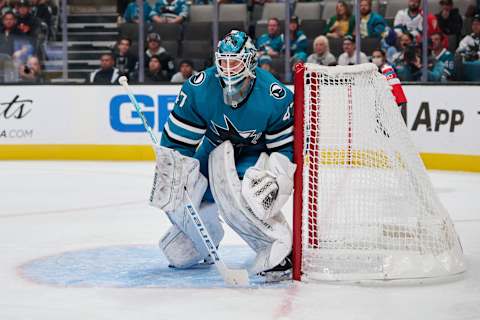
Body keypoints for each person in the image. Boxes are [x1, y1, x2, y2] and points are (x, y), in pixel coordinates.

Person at [152, 30, 295, 279]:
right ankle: (205, 239)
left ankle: (277, 248)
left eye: (235, 62)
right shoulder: (199, 88)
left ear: (250, 61)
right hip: (214, 148)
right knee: (179, 193)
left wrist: (276, 178)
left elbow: (284, 149)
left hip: (254, 152)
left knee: (246, 195)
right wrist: (176, 169)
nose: (228, 69)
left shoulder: (274, 96)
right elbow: (178, 142)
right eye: (224, 62)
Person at [371, 49, 407, 123]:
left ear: (384, 57)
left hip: (389, 108)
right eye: (374, 57)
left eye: (378, 56)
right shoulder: (372, 71)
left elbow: (397, 93)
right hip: (378, 107)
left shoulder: (388, 70)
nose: (376, 59)